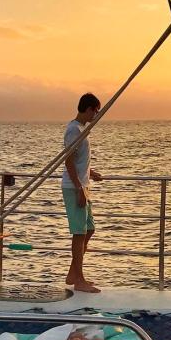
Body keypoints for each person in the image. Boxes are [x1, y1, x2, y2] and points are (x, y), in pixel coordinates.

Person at [62, 93, 105, 294]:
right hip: (74, 187)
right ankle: (79, 280)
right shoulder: (73, 130)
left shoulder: (82, 130)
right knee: (79, 233)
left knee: (89, 229)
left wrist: (90, 172)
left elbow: (79, 160)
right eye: (95, 110)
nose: (96, 114)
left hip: (83, 185)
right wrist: (79, 187)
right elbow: (68, 161)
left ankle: (73, 272)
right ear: (88, 109)